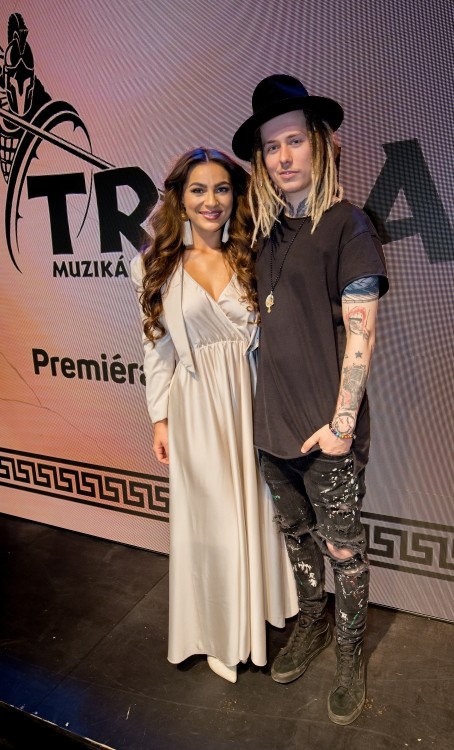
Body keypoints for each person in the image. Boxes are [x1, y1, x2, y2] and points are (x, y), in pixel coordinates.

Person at [232, 75, 389, 723]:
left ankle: (350, 654)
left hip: (327, 433)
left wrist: (342, 426)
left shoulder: (349, 224)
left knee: (343, 550)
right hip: (272, 427)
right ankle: (312, 624)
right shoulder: (264, 231)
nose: (284, 156)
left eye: (294, 140)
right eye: (271, 147)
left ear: (321, 144)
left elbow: (362, 332)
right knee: (296, 536)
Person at [130, 147, 298, 684]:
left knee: (253, 510)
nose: (211, 200)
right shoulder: (153, 265)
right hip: (196, 406)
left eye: (222, 189)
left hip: (250, 399)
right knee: (212, 522)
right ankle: (221, 632)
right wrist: (159, 419)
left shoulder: (253, 256)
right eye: (198, 189)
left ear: (234, 196)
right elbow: (156, 349)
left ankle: (253, 617)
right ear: (179, 198)